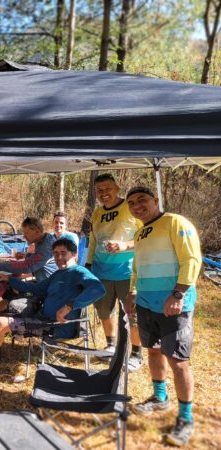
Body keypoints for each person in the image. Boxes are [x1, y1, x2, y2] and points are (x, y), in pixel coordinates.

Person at [125, 187, 201, 447]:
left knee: (178, 361)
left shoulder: (175, 222)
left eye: (142, 200)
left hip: (173, 304)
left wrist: (178, 294)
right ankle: (160, 397)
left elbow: (191, 259)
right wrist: (133, 292)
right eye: (131, 203)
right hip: (146, 303)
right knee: (154, 350)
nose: (137, 206)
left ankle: (186, 418)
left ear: (156, 200)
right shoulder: (140, 232)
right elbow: (137, 266)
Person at [0, 238, 105, 372]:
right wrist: (10, 280)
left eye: (63, 253)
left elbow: (98, 289)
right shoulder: (59, 273)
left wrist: (69, 306)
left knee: (1, 323)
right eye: (55, 254)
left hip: (55, 325)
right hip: (42, 315)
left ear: (74, 254)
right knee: (3, 305)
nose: (59, 257)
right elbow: (37, 289)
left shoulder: (79, 272)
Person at [86, 173, 144, 370]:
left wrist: (125, 245)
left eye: (108, 189)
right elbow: (93, 241)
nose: (104, 193)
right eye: (99, 190)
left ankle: (136, 353)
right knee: (103, 310)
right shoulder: (97, 213)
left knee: (132, 313)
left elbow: (145, 236)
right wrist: (88, 264)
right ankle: (110, 345)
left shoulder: (130, 208)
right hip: (101, 271)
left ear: (117, 188)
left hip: (127, 271)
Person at [0, 217, 57, 283]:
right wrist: (26, 255)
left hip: (50, 287)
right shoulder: (45, 239)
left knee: (11, 286)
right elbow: (39, 259)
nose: (24, 236)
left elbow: (27, 266)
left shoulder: (46, 247)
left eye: (27, 233)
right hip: (45, 282)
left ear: (37, 232)